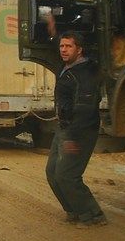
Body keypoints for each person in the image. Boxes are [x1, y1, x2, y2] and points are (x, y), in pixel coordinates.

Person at [45, 14, 107, 227]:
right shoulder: (66, 66)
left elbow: (85, 110)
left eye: (68, 46)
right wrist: (53, 29)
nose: (63, 50)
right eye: (61, 46)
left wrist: (71, 137)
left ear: (79, 50)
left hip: (80, 131)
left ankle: (93, 215)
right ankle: (73, 209)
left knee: (67, 175)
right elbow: (55, 44)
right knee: (52, 173)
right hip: (64, 128)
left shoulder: (85, 74)